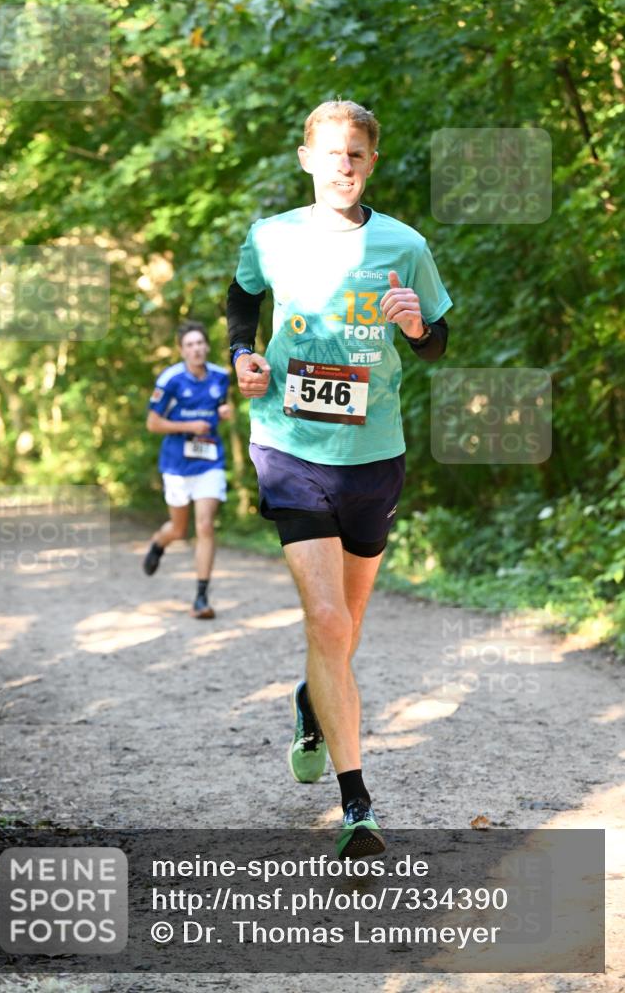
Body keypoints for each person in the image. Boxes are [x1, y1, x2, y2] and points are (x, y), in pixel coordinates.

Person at [226, 100, 452, 858]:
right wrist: (240, 355)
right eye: (331, 154)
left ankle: (309, 698)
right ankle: (357, 804)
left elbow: (435, 344)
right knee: (327, 623)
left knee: (343, 633)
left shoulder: (404, 245)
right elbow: (242, 295)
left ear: (371, 163)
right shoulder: (273, 234)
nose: (343, 167)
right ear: (306, 159)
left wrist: (416, 324)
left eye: (355, 155)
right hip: (288, 448)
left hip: (372, 456)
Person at [143, 321, 231, 619]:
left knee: (205, 525)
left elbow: (222, 407)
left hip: (210, 461)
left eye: (200, 343)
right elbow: (153, 423)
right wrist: (188, 426)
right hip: (177, 464)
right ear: (182, 350)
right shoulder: (170, 380)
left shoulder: (220, 376)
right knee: (179, 530)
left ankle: (201, 597)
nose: (196, 349)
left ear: (207, 346)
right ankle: (159, 543)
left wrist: (225, 412)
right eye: (190, 345)